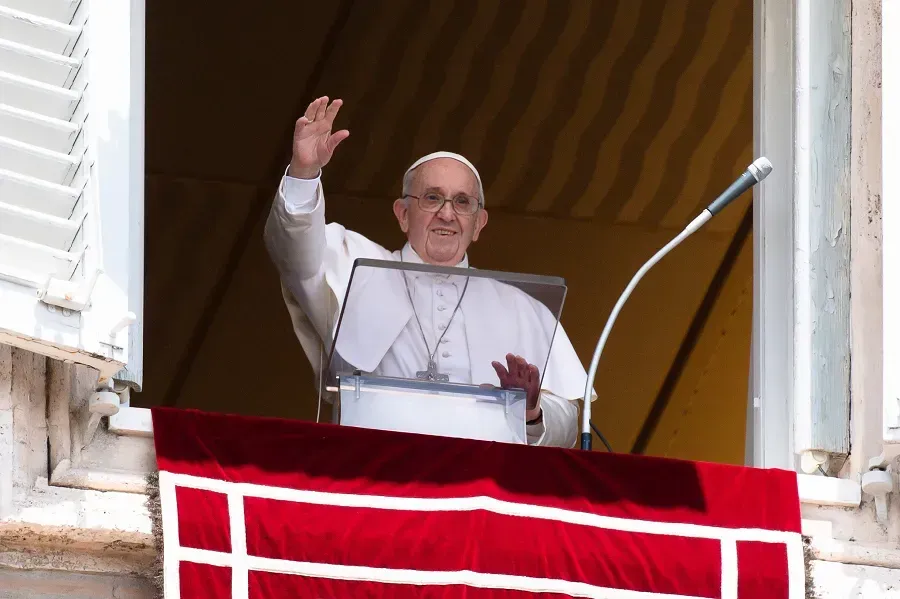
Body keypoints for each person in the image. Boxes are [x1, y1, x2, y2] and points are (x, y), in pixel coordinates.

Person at [264, 96, 594, 448]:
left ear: (479, 224)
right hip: (376, 472)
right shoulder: (354, 263)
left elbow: (568, 424)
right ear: (403, 214)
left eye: (462, 202)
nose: (447, 214)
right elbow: (295, 251)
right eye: (432, 198)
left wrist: (531, 412)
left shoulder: (522, 308)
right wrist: (304, 172)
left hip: (481, 485)